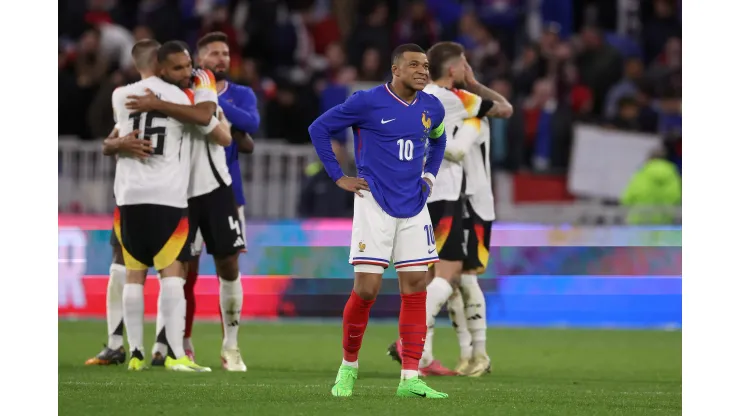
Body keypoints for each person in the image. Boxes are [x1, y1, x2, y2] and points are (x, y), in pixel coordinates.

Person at [309, 43, 449, 399]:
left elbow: (439, 139)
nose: (422, 70)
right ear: (396, 70)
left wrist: (430, 177)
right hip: (374, 203)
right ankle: (348, 368)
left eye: (427, 65)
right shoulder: (366, 101)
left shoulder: (431, 106)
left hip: (415, 203)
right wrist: (338, 175)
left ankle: (410, 377)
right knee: (367, 289)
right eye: (414, 64)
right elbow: (319, 129)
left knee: (415, 284)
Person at [386, 41, 512, 377]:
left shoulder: (411, 98)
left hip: (413, 194)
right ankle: (415, 343)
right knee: (454, 274)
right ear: (455, 69)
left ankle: (427, 356)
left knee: (432, 277)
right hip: (451, 195)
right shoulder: (458, 102)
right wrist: (472, 84)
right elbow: (504, 109)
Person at [126, 42, 248, 372]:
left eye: (187, 65)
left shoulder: (202, 78)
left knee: (228, 265)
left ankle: (230, 347)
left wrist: (159, 105)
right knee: (177, 270)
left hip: (215, 187)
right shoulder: (153, 91)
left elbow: (207, 116)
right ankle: (175, 345)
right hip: (177, 193)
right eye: (178, 66)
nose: (186, 71)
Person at [175, 31, 259, 366]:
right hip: (186, 190)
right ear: (199, 58)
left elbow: (252, 122)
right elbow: (241, 133)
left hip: (228, 192)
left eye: (225, 53)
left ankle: (230, 346)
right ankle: (182, 342)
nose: (222, 59)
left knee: (228, 265)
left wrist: (209, 98)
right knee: (185, 270)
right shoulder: (181, 91)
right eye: (214, 53)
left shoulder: (241, 93)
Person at [84, 39, 162, 367]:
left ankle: (164, 349)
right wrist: (117, 143)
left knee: (174, 271)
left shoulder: (181, 98)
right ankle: (118, 343)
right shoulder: (125, 96)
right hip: (132, 195)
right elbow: (108, 139)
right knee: (122, 263)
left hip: (172, 196)